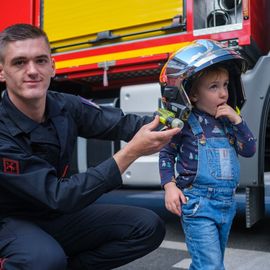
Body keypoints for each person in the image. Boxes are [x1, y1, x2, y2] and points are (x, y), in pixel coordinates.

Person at [0, 23, 181, 270]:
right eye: (19, 62)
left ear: (52, 66)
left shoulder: (64, 105)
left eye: (40, 60)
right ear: (2, 72)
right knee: (42, 260)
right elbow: (58, 196)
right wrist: (131, 152)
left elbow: (124, 124)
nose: (32, 70)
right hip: (9, 220)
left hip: (53, 215)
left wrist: (180, 120)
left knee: (147, 226)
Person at [159, 39, 256, 270]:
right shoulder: (184, 123)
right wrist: (169, 186)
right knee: (211, 266)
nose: (223, 93)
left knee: (208, 264)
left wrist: (238, 121)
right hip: (197, 205)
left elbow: (250, 149)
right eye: (213, 87)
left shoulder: (229, 122)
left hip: (226, 205)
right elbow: (166, 153)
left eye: (225, 85)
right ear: (192, 94)